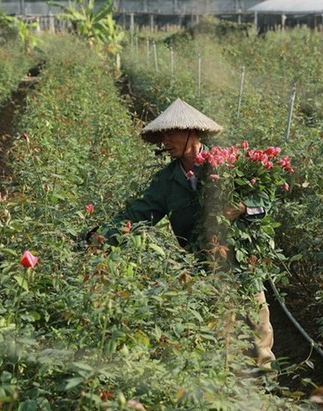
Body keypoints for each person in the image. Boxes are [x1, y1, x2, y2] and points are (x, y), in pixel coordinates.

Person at [92, 98, 275, 369]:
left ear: (193, 133)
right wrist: (101, 236)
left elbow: (265, 200)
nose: (165, 141)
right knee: (213, 333)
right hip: (199, 266)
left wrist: (243, 207)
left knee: (257, 328)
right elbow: (137, 215)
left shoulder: (229, 165)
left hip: (240, 262)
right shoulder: (166, 181)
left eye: (171, 133)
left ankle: (265, 383)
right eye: (163, 135)